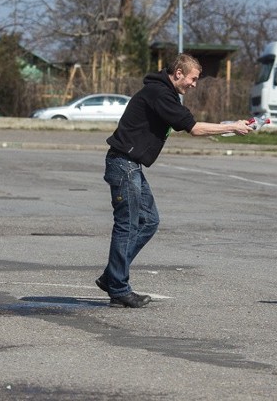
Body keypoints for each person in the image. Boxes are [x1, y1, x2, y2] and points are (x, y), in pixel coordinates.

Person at [95, 53, 252, 307]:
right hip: (124, 165)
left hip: (131, 166)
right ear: (178, 73)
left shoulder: (162, 93)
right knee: (127, 225)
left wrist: (231, 125)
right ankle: (119, 288)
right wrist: (232, 127)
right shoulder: (160, 93)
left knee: (149, 221)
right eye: (192, 78)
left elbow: (188, 124)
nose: (194, 84)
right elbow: (194, 128)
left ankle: (112, 277)